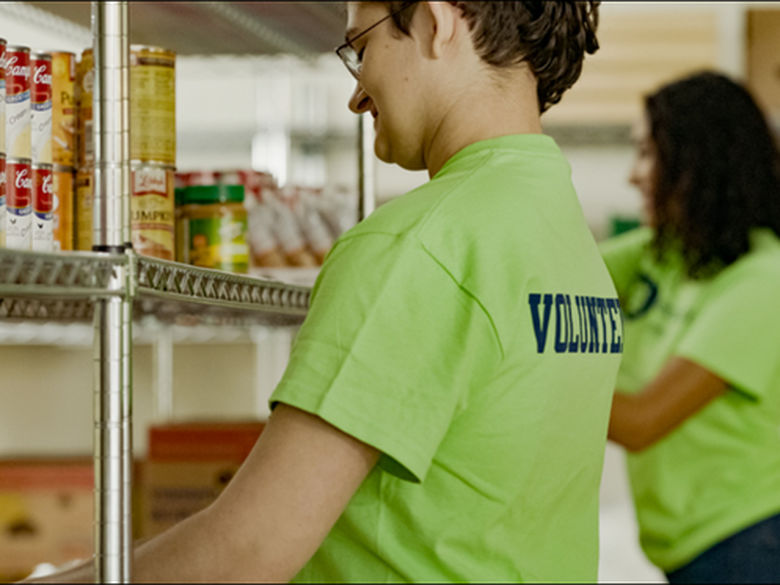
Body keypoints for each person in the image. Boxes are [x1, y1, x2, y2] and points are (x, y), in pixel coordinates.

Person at [32, 1, 620, 582]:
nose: (357, 94)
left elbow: (249, 550)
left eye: (361, 49)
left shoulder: (417, 246)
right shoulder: (563, 231)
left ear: (436, 23)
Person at [601, 71, 780, 584]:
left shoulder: (763, 280)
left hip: (747, 542)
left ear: (702, 163)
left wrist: (520, 380)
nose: (634, 176)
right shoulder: (663, 253)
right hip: (690, 548)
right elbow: (548, 276)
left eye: (649, 154)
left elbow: (641, 421)